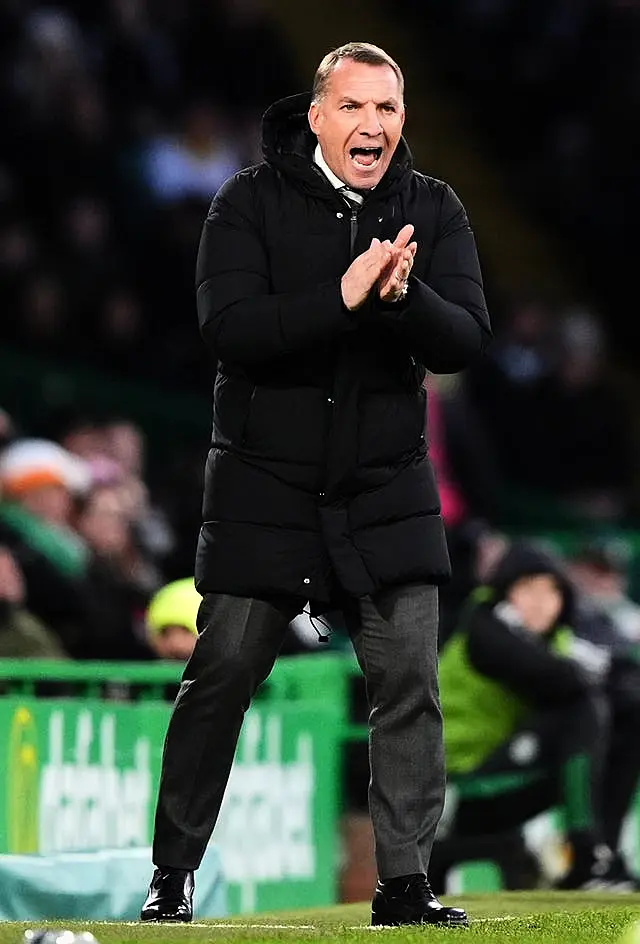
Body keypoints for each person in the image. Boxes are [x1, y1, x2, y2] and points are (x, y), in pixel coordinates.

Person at [141, 41, 491, 928]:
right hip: (268, 485)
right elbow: (229, 329)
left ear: (401, 119)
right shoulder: (246, 203)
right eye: (354, 107)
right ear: (318, 116)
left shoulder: (432, 209)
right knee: (221, 670)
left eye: (387, 109)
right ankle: (172, 876)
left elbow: (464, 338)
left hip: (386, 487)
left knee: (409, 675)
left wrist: (404, 297)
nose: (371, 125)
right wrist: (339, 297)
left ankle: (404, 884)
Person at [433, 541, 638, 891]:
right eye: (528, 589)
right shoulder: (484, 627)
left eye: (551, 591)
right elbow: (560, 675)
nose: (541, 602)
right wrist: (601, 677)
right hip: (458, 789)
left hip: (509, 776)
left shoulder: (555, 640)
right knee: (584, 708)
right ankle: (586, 854)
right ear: (505, 592)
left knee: (630, 716)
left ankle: (603, 857)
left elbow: (621, 675)